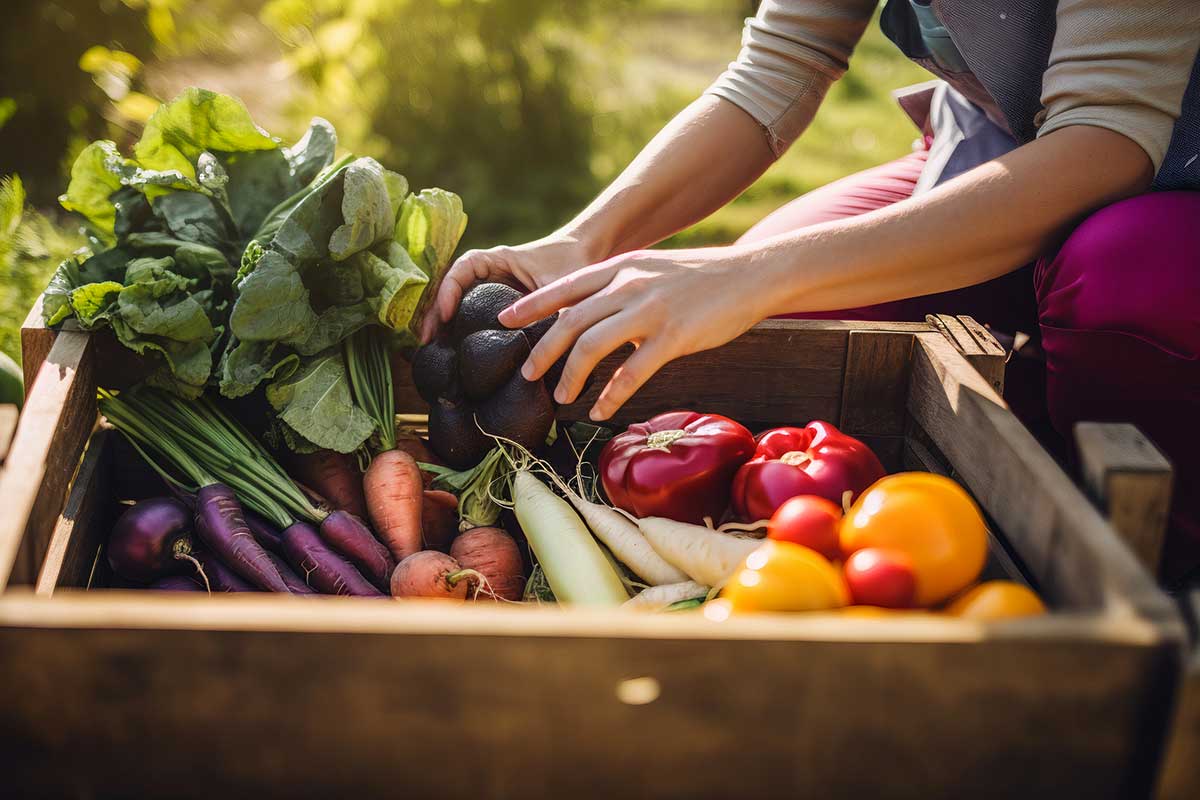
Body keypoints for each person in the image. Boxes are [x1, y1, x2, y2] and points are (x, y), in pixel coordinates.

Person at [423, 0, 1200, 576]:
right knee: (792, 324)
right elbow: (782, 62)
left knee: (1124, 284)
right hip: (1002, 148)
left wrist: (752, 275)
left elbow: (1106, 143)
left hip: (1167, 193)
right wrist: (586, 239)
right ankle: (1012, 449)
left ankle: (1146, 571)